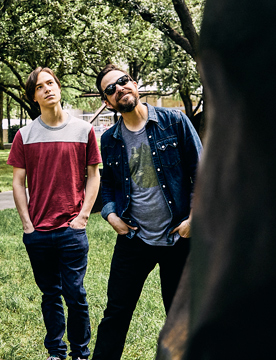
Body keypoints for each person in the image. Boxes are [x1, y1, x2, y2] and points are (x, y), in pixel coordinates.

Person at [92, 64, 203, 360]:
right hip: (134, 239)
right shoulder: (110, 139)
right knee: (116, 313)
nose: (119, 89)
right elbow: (109, 183)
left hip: (178, 237)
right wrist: (111, 214)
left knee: (182, 318)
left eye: (123, 81)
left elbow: (202, 171)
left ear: (135, 83)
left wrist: (194, 218)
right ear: (107, 102)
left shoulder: (174, 121)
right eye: (110, 89)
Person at [7, 67, 102, 360]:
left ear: (59, 88)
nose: (48, 89)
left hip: (71, 230)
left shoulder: (84, 130)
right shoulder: (24, 135)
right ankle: (56, 353)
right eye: (40, 87)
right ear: (34, 97)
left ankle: (81, 354)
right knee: (50, 295)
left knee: (76, 295)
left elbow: (94, 174)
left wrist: (83, 215)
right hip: (38, 232)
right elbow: (17, 182)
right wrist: (27, 224)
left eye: (51, 83)